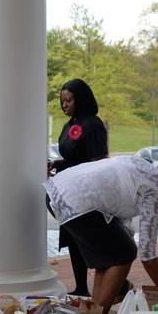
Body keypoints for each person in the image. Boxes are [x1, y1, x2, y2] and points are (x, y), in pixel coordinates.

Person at [44, 156, 158, 314]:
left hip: (57, 191)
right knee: (126, 253)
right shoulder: (154, 192)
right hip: (76, 202)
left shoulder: (144, 167)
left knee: (111, 256)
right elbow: (148, 255)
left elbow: (120, 217)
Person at [47, 79, 110, 297]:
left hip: (86, 191)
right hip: (68, 189)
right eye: (62, 101)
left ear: (81, 99)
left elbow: (98, 161)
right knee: (74, 238)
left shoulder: (92, 124)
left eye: (69, 100)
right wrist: (57, 165)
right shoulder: (69, 124)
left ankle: (115, 285)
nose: (64, 105)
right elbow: (72, 157)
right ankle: (81, 286)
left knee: (89, 241)